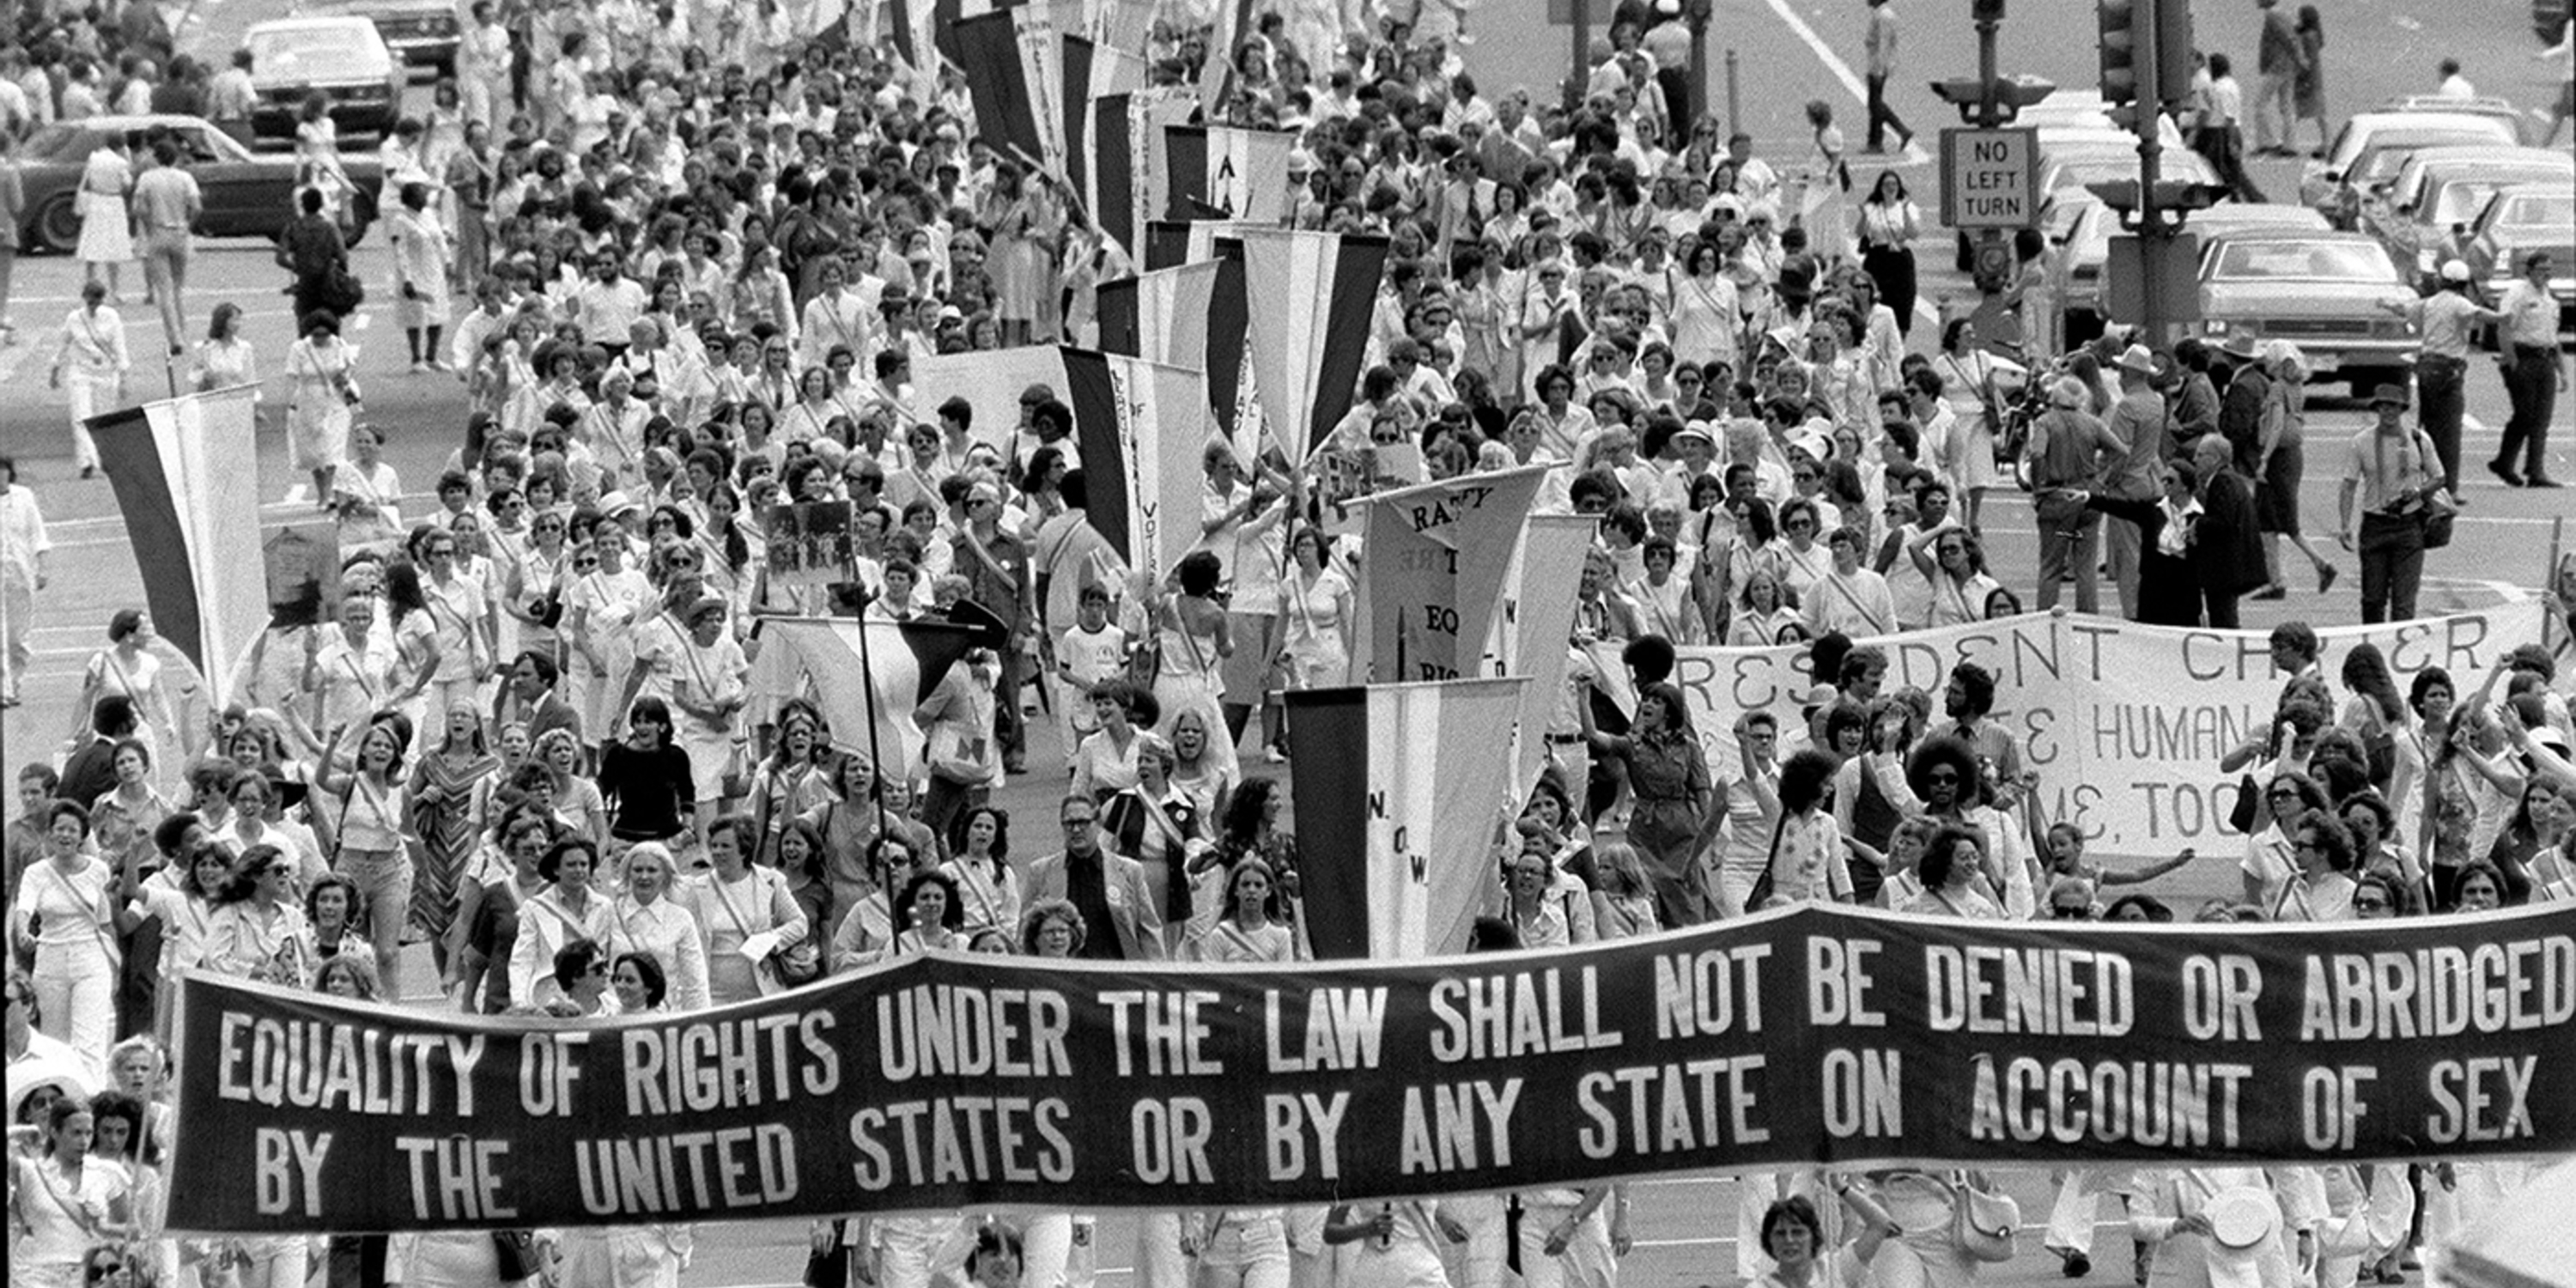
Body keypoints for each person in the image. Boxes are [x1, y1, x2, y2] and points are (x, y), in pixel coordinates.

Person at [2336, 384, 2445, 623]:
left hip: (2409, 525)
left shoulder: (2418, 439)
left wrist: (2418, 491)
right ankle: (2373, 649)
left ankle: (2399, 656)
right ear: (2376, 409)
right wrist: (2345, 524)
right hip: (2375, 525)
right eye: (2383, 406)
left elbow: (2439, 477)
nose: (2388, 412)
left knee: (2404, 604)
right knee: (2372, 600)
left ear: (2402, 409)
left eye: (2393, 406)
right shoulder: (2361, 442)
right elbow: (2348, 485)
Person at [1024, 793, 1163, 960]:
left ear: (1098, 824)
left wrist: (1157, 976)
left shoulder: (1130, 871)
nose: (1076, 829)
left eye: (1083, 822)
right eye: (1069, 823)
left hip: (1115, 971)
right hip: (1062, 973)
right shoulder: (1040, 871)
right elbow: (1025, 932)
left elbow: (1149, 931)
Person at [2494, 251, 2566, 489]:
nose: (2545, 275)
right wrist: (2512, 361)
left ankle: (2536, 470)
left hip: (2545, 359)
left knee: (2541, 420)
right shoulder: (2517, 294)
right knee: (2525, 415)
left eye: (2549, 270)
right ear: (2530, 270)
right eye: (2541, 270)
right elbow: (2504, 328)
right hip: (2522, 357)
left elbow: (2553, 337)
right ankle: (2505, 461)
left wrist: (2562, 370)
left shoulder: (2550, 297)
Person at [46, 280, 127, 480]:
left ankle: (100, 457)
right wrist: (54, 371)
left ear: (102, 301)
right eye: (89, 303)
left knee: (103, 418)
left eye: (96, 303)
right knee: (81, 418)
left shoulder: (111, 317)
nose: (92, 307)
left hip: (106, 373)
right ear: (84, 300)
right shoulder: (74, 318)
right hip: (80, 372)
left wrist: (124, 378)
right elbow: (62, 346)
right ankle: (88, 462)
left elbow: (120, 347)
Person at [128, 137, 199, 351]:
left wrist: (149, 226)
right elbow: (196, 207)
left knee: (164, 289)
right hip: (179, 230)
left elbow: (138, 208)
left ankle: (174, 337)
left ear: (156, 157)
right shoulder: (185, 178)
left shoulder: (147, 178)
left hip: (158, 231)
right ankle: (182, 331)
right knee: (178, 287)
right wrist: (188, 225)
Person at [0, 454, 45, 708]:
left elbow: (37, 534)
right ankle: (2, 690)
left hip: (19, 577)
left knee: (16, 639)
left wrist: (42, 568)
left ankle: (14, 684)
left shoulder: (24, 498)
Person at [73, 131, 132, 301]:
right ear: (121, 146)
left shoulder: (94, 158)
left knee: (92, 245)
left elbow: (88, 180)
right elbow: (127, 185)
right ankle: (115, 291)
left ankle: (90, 286)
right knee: (114, 247)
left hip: (96, 201)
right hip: (113, 202)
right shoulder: (120, 163)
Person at [1860, 0, 1913, 155]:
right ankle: (1899, 131)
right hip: (1876, 63)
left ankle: (1876, 142)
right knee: (1875, 103)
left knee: (1875, 104)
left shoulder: (1884, 16)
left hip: (1878, 65)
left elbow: (1884, 43)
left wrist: (1879, 68)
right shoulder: (1880, 14)